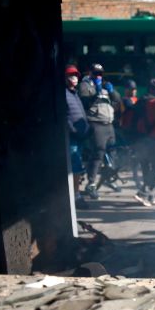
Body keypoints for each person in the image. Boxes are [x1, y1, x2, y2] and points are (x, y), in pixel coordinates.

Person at [78, 63, 117, 200]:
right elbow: (85, 103)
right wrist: (96, 91)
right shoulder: (85, 85)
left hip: (109, 123)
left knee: (113, 151)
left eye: (100, 73)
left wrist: (111, 91)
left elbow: (117, 99)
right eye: (95, 73)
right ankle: (91, 184)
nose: (98, 76)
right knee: (98, 153)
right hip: (96, 123)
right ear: (90, 72)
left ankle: (106, 177)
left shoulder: (106, 84)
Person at [133, 79, 155, 207]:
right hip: (151, 139)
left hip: (140, 139)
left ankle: (150, 196)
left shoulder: (142, 100)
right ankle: (142, 193)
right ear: (152, 89)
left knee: (146, 168)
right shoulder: (154, 102)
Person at [64, 65, 90, 209]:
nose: (74, 78)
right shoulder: (64, 93)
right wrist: (73, 129)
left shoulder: (75, 93)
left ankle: (76, 194)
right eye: (70, 75)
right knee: (75, 167)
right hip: (73, 137)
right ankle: (75, 196)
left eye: (75, 75)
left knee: (77, 168)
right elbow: (66, 116)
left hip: (80, 137)